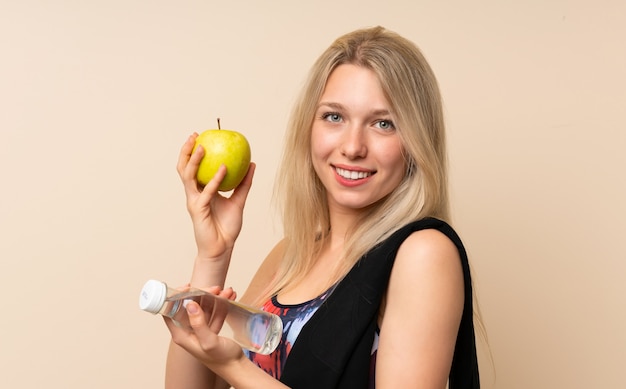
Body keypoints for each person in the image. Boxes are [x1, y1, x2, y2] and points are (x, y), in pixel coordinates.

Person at [163, 26, 480, 388]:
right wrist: (213, 255)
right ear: (309, 126)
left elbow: (235, 370)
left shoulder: (423, 254)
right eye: (334, 116)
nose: (353, 146)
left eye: (383, 123)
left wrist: (237, 367)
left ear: (417, 140)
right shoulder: (290, 255)